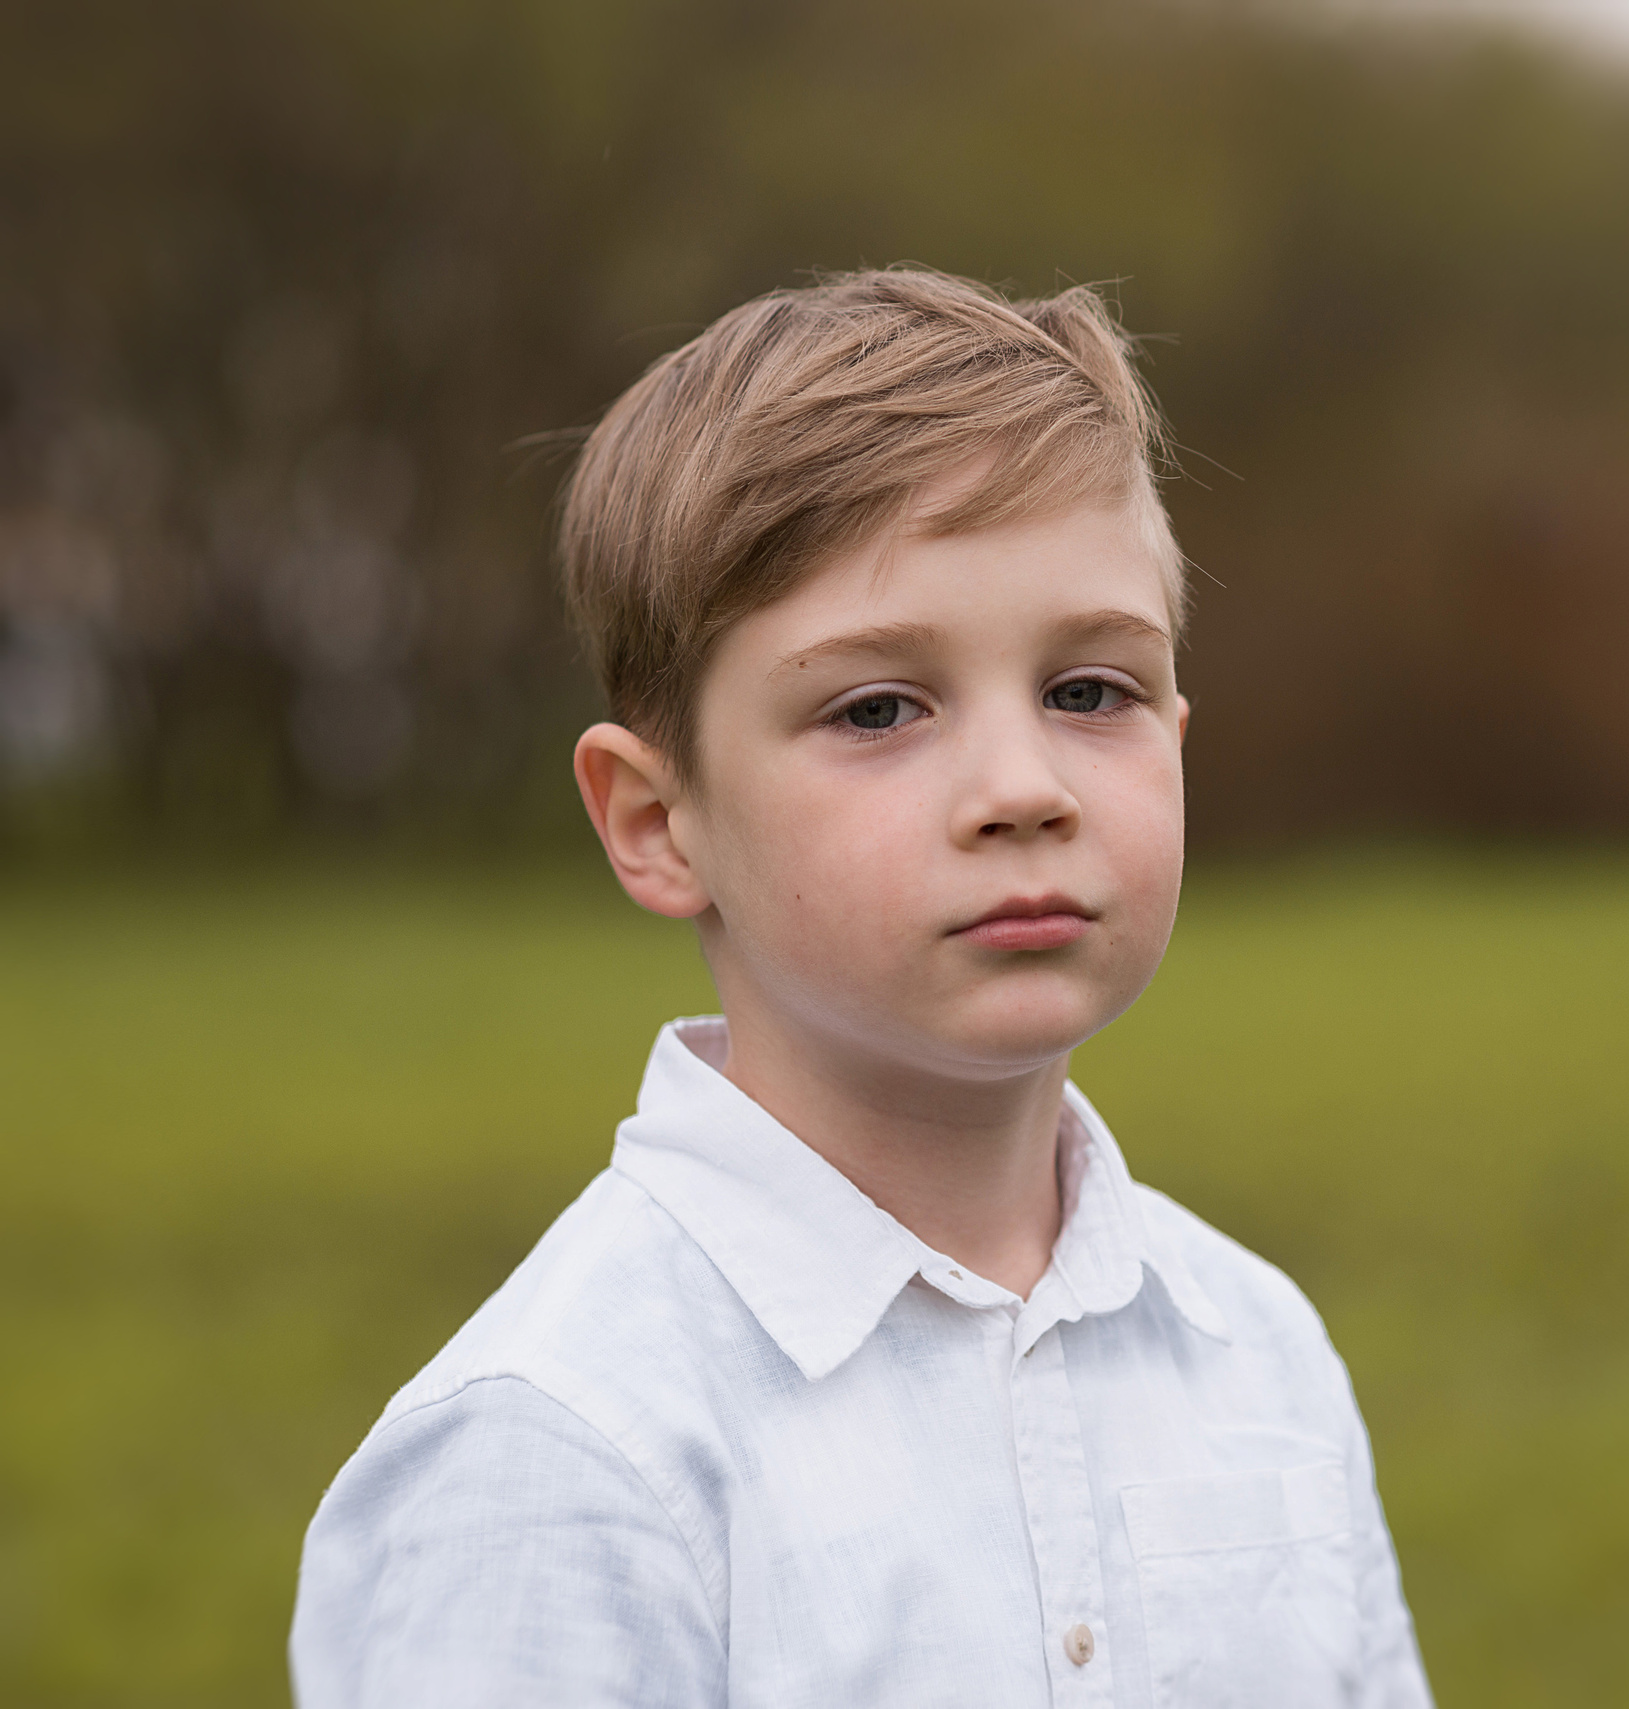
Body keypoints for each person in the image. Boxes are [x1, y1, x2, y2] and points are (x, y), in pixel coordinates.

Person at [288, 269, 1432, 1707]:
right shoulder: (563, 1450)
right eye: (877, 708)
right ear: (658, 821)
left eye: (1092, 690)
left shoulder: (1258, 1348)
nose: (1023, 788)